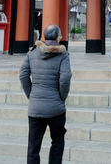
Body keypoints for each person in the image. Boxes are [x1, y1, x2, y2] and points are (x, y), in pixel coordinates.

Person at [20, 24, 72, 164]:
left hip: (36, 108)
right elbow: (65, 78)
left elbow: (23, 75)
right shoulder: (62, 54)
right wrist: (62, 96)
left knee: (33, 147)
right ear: (57, 38)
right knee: (57, 141)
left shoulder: (32, 53)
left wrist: (31, 95)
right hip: (56, 108)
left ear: (43, 37)